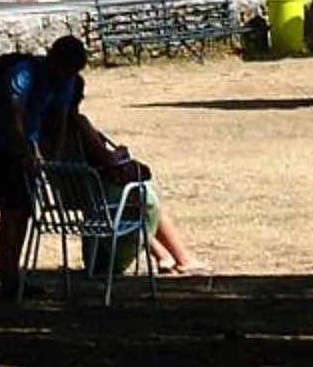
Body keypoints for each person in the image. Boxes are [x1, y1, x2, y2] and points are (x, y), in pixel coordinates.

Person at [0, 34, 89, 300]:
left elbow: (59, 120)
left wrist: (54, 159)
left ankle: (17, 278)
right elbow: (14, 116)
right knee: (10, 211)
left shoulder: (66, 81)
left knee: (24, 211)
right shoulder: (24, 73)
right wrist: (24, 151)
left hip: (26, 148)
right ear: (55, 60)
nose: (67, 76)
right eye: (66, 69)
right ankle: (8, 280)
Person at [65, 111, 209, 275]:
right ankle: (183, 259)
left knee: (134, 200)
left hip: (81, 204)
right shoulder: (76, 123)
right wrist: (121, 153)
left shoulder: (44, 131)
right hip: (102, 216)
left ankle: (165, 255)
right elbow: (107, 159)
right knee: (144, 197)